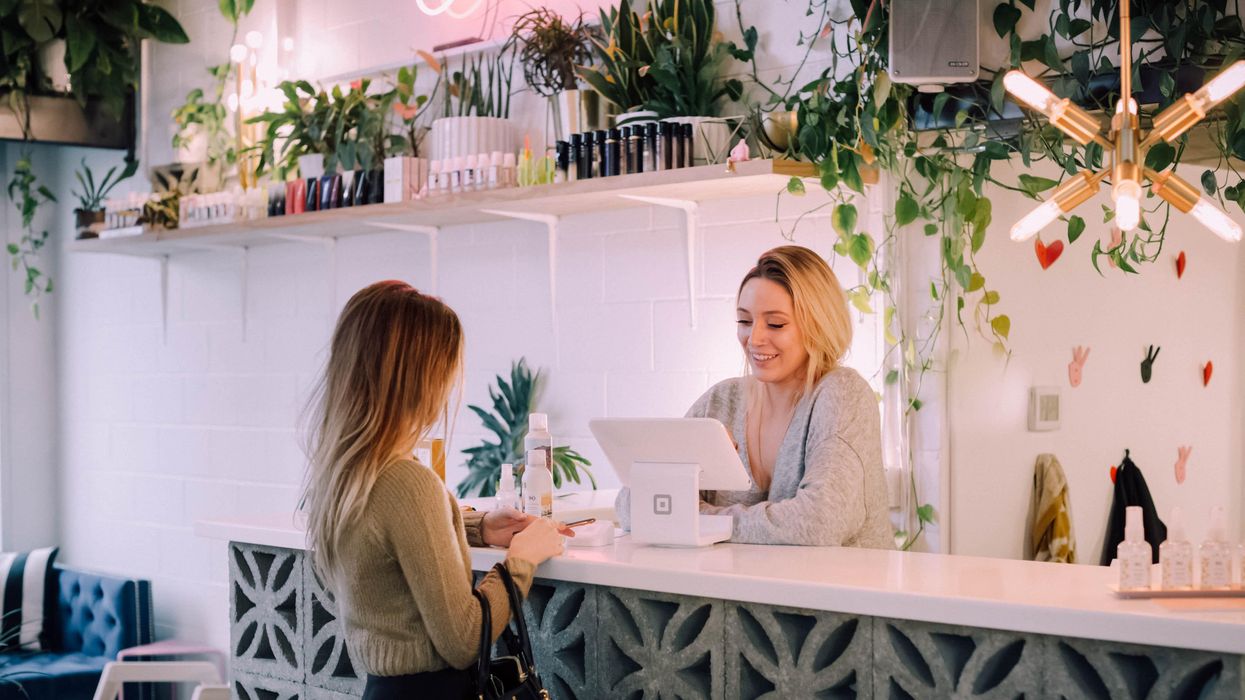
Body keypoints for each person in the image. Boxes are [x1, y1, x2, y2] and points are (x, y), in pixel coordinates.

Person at [300, 280, 569, 699]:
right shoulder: (408, 482)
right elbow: (463, 640)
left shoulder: (344, 473)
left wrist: (477, 528)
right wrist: (522, 560)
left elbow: (392, 535)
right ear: (420, 378)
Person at [618, 246, 893, 548]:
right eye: (745, 321)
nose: (755, 338)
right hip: (745, 591)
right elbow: (632, 508)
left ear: (819, 324)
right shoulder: (722, 402)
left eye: (775, 323)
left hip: (839, 592)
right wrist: (687, 468)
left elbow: (819, 523)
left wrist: (702, 521)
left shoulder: (842, 394)